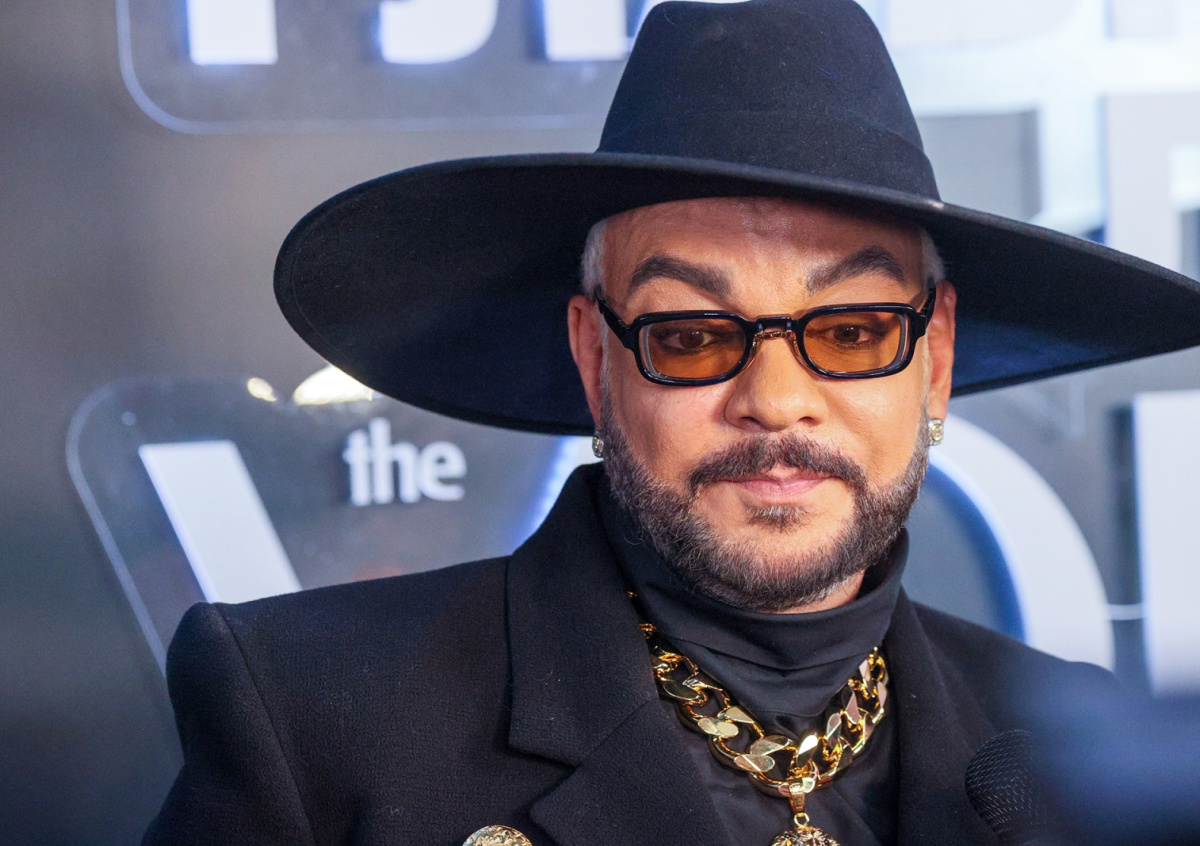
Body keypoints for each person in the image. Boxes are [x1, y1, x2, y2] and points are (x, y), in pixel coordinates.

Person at [145, 2, 1200, 845]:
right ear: (595, 358)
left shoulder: (1074, 755)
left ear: (937, 358)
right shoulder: (311, 714)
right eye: (693, 335)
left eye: (852, 330)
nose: (776, 400)